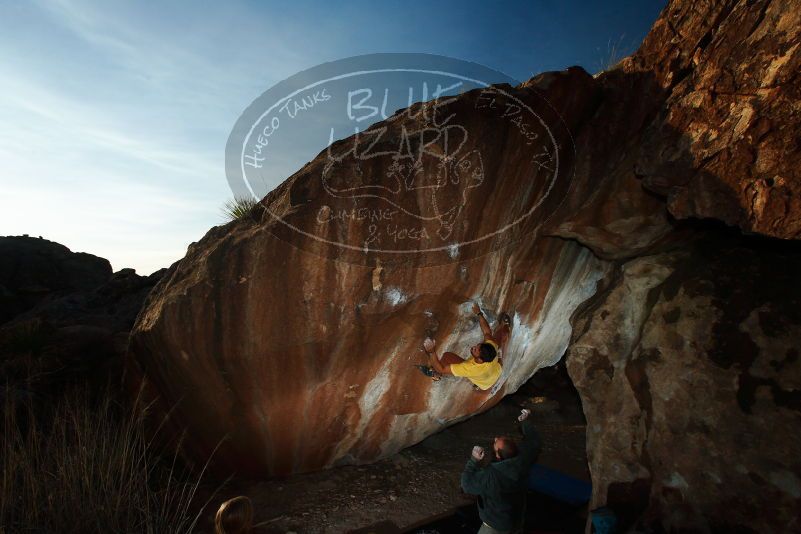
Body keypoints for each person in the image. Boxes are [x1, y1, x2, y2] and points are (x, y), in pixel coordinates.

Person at [461, 409, 541, 533]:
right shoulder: (524, 458)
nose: (495, 438)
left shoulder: (491, 475)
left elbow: (467, 485)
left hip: (495, 527)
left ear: (498, 455)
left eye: (495, 444)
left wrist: (473, 461)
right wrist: (525, 422)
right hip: (516, 521)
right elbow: (534, 441)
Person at [422, 303, 511, 391]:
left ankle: (436, 375)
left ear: (480, 360)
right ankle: (506, 326)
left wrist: (431, 352)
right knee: (500, 340)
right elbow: (487, 333)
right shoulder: (491, 347)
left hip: (484, 383)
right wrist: (479, 313)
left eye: (475, 350)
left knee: (447, 356)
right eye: (477, 346)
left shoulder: (469, 368)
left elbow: (442, 369)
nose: (473, 347)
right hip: (495, 372)